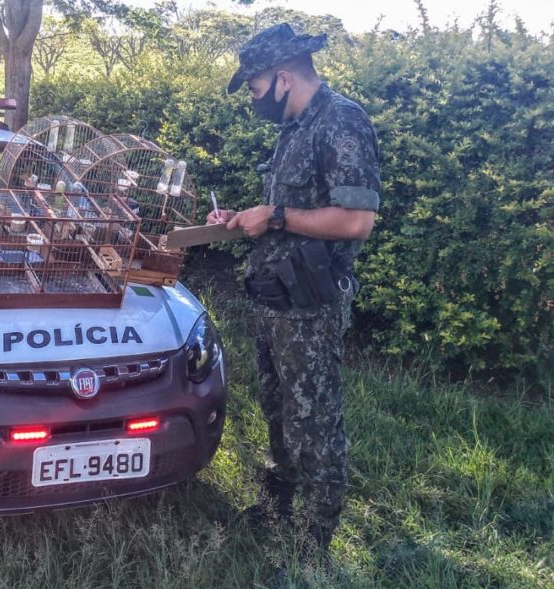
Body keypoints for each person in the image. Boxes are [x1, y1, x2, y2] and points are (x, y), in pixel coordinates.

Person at [207, 23, 380, 554]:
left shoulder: (342, 121)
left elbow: (356, 221)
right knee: (276, 405)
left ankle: (316, 531)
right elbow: (286, 215)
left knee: (315, 417)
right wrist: (242, 219)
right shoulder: (293, 128)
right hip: (274, 295)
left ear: (283, 78)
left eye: (256, 89)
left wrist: (276, 215)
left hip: (310, 304)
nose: (254, 101)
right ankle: (277, 502)